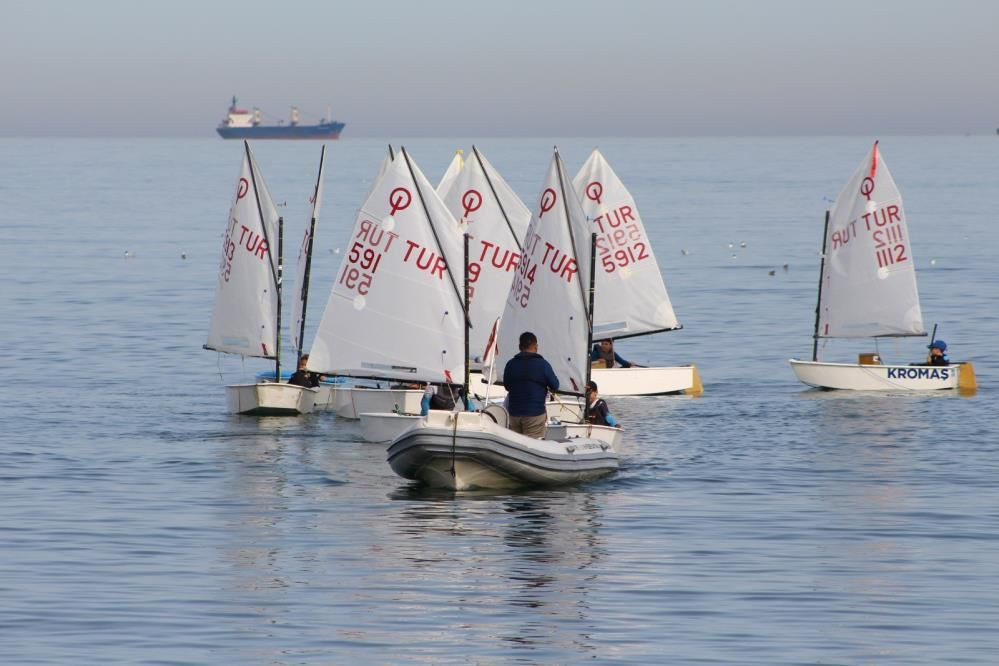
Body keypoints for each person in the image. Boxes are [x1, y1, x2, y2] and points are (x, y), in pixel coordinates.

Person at [503, 331, 559, 438]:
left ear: (519, 347)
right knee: (533, 444)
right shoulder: (543, 365)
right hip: (534, 415)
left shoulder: (510, 364)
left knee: (515, 443)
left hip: (514, 414)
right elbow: (555, 385)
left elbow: (507, 386)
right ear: (536, 346)